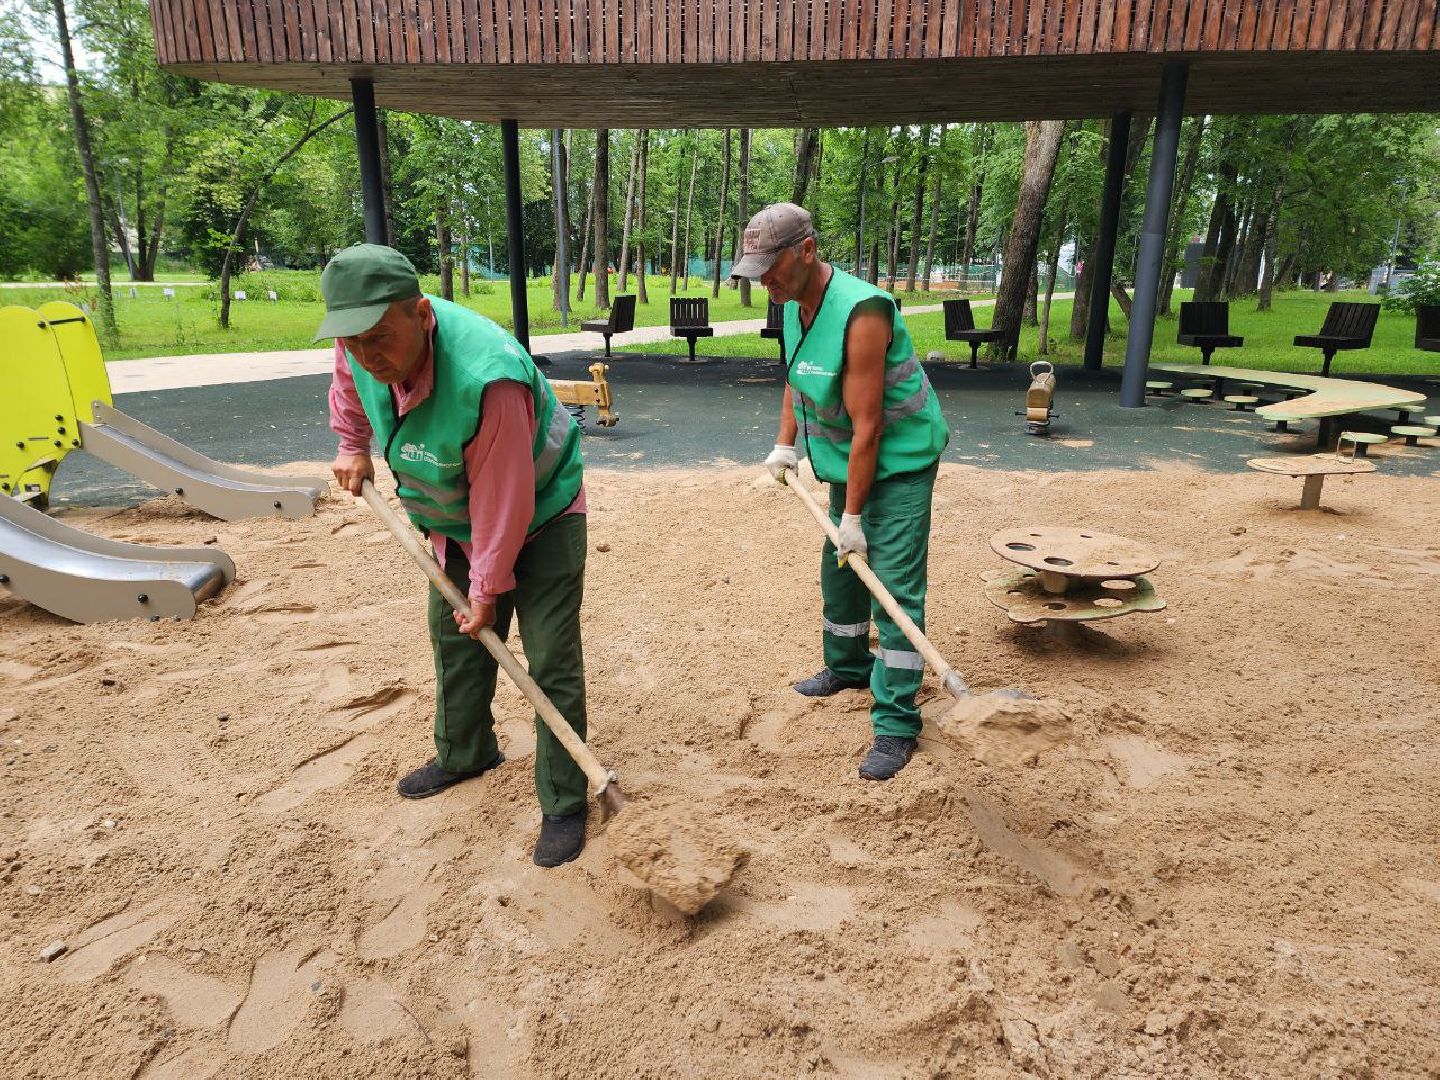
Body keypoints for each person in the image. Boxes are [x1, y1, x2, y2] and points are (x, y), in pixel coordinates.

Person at [317, 244, 592, 867]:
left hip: (541, 511)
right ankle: (466, 752)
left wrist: (488, 590)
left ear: (421, 313)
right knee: (454, 637)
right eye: (353, 341)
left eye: (380, 338)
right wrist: (352, 444)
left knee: (549, 658)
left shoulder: (486, 377)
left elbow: (505, 500)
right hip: (453, 520)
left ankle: (564, 799)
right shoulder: (359, 335)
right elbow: (348, 380)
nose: (367, 354)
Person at [734, 204, 950, 781]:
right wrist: (785, 444)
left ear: (805, 251)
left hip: (897, 464)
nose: (764, 281)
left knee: (894, 589)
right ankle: (849, 667)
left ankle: (897, 722)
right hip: (844, 465)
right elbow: (797, 378)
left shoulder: (862, 313)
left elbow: (869, 427)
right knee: (841, 572)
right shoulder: (793, 303)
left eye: (769, 267)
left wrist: (853, 515)